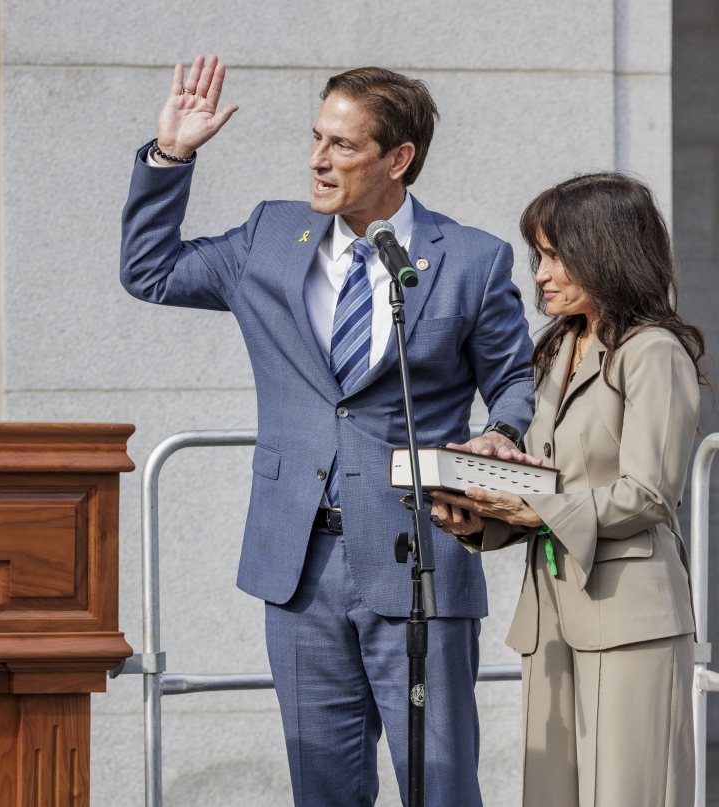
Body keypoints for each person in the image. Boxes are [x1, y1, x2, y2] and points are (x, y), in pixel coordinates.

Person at [120, 57, 536, 806]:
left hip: (421, 563)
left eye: (342, 145)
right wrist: (172, 155)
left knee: (439, 788)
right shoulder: (269, 236)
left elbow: (512, 375)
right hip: (299, 568)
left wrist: (503, 429)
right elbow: (149, 271)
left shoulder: (472, 259)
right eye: (316, 138)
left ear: (397, 158)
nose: (317, 159)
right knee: (324, 791)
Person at [431, 173, 703, 807]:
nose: (542, 274)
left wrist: (531, 509)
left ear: (605, 252)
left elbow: (651, 494)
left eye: (555, 255)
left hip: (630, 611)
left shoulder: (652, 352)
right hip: (552, 609)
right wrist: (482, 520)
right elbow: (551, 482)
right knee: (551, 795)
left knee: (628, 794)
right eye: (539, 256)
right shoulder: (558, 349)